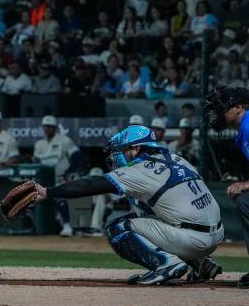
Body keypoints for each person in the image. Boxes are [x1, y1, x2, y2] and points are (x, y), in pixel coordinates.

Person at [28, 125, 223, 285]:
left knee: (117, 227)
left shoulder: (138, 170)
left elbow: (90, 185)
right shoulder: (177, 159)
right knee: (151, 214)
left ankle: (166, 263)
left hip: (191, 239)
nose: (119, 155)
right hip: (215, 235)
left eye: (123, 150)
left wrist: (47, 192)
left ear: (136, 149)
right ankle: (200, 264)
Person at [204, 86, 249, 288]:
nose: (217, 112)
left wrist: (245, 184)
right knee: (244, 201)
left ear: (239, 107)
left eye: (222, 107)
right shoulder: (244, 129)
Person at [32, 115, 81, 237]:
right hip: (43, 177)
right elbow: (37, 162)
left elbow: (77, 155)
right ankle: (32, 226)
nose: (48, 129)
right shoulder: (39, 144)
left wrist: (69, 171)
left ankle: (67, 225)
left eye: (50, 127)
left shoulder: (64, 140)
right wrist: (35, 160)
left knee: (59, 196)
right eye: (46, 126)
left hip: (59, 175)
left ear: (55, 128)